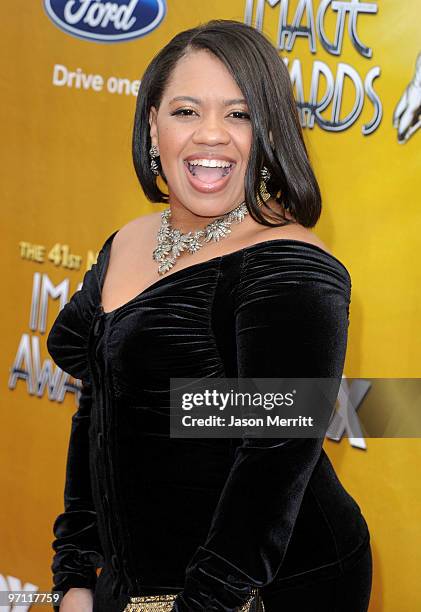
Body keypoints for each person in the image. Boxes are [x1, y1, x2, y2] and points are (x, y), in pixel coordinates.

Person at [47, 19, 372, 612]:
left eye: (240, 114)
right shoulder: (130, 240)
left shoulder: (291, 266)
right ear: (153, 125)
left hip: (264, 588)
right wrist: (76, 572)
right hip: (136, 578)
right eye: (187, 111)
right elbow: (99, 409)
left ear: (268, 131)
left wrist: (203, 604)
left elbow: (275, 454)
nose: (212, 135)